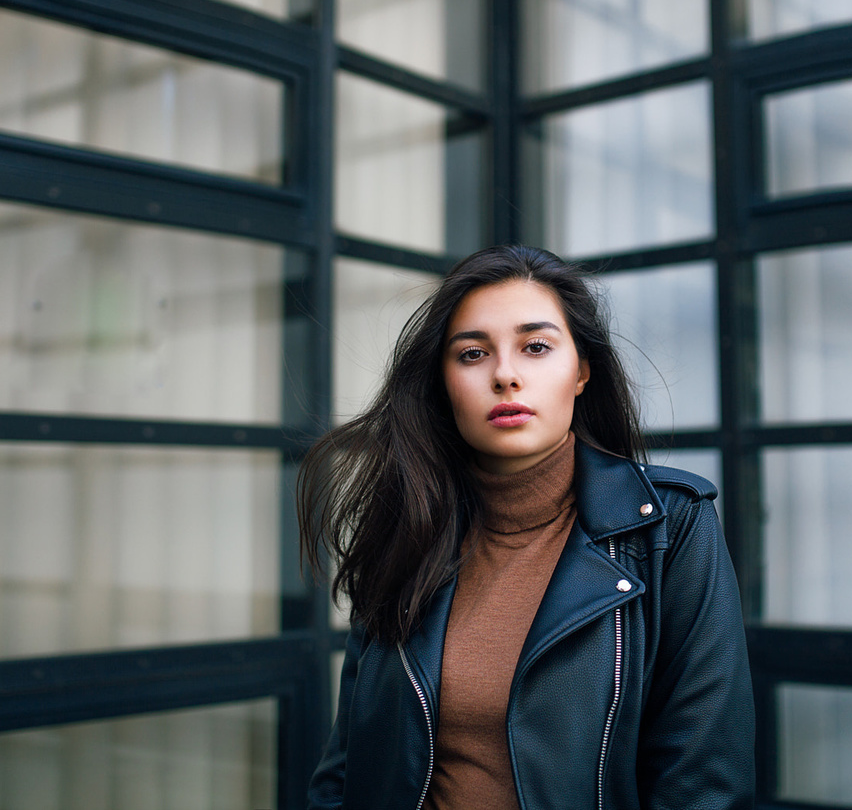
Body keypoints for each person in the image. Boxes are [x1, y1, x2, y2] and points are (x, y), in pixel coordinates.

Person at [299, 245, 754, 810]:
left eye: (535, 347)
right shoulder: (409, 527)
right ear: (443, 382)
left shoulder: (668, 527)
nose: (506, 375)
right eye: (472, 354)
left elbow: (705, 782)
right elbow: (347, 766)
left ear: (582, 370)